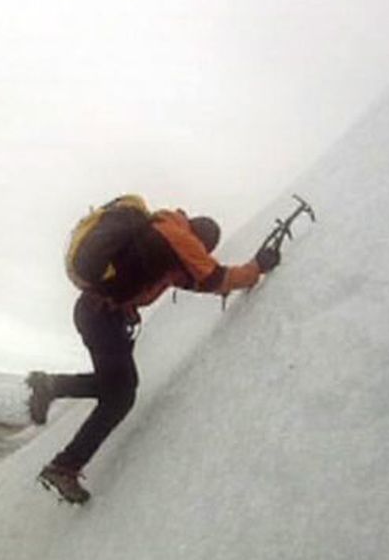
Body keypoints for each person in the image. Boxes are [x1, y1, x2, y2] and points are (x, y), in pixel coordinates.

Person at [28, 203, 281, 503]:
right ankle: (65, 465)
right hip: (102, 317)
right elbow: (214, 278)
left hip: (95, 314)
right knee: (121, 396)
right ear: (200, 241)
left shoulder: (160, 239)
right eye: (204, 249)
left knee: (114, 386)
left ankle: (51, 386)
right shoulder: (177, 238)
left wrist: (234, 279)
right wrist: (257, 268)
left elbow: (198, 282)